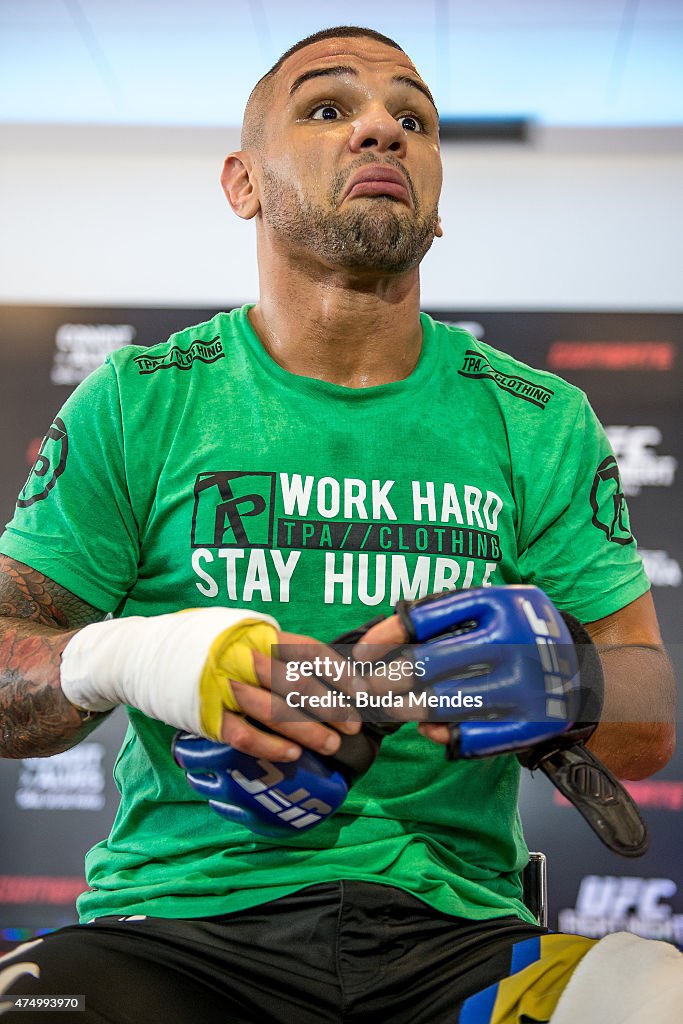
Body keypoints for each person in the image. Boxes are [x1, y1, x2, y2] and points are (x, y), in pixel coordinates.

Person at [0, 24, 676, 1024]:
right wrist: (135, 657)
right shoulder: (138, 402)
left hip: (458, 934)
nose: (379, 130)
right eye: (327, 108)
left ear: (437, 204)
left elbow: (646, 717)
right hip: (175, 925)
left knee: (656, 999)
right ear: (241, 182)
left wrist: (564, 678)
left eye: (412, 118)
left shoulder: (536, 416)